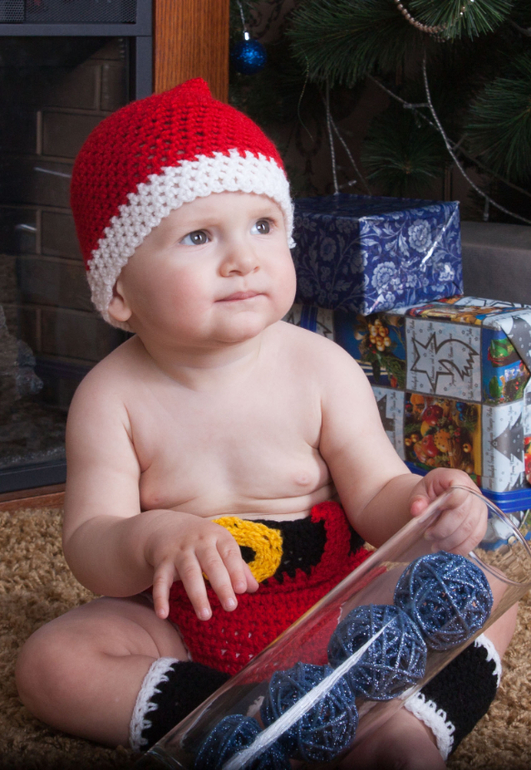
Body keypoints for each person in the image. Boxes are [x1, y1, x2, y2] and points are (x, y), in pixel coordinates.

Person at [15, 79, 515, 769]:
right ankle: (229, 721)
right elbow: (90, 546)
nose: (243, 258)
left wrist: (425, 505)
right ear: (119, 292)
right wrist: (152, 536)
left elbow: (375, 495)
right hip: (182, 627)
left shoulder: (320, 367)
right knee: (53, 662)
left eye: (262, 226)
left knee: (481, 589)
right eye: (198, 236)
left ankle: (407, 730)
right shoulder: (111, 398)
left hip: (337, 613)